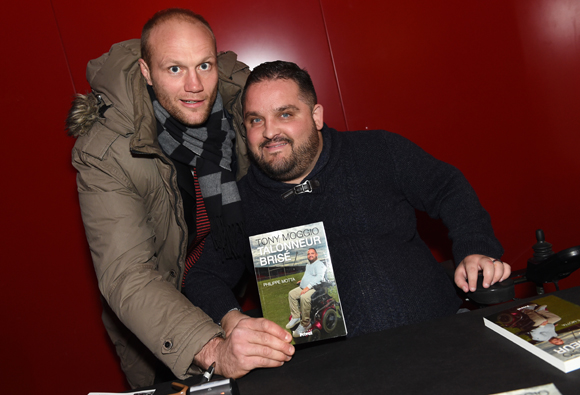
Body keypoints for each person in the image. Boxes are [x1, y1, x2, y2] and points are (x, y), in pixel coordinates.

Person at [186, 60, 511, 339]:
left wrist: (475, 249)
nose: (270, 132)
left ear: (316, 116)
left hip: (438, 335)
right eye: (256, 120)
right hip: (334, 375)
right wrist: (232, 321)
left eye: (285, 114)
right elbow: (204, 278)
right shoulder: (239, 203)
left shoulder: (378, 151)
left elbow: (447, 187)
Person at [66, 9, 293, 389]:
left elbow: (294, 158)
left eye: (204, 65)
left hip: (224, 294)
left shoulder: (240, 107)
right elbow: (127, 276)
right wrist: (213, 349)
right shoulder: (106, 153)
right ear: (146, 72)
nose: (195, 85)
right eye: (174, 69)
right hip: (155, 323)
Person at [286, 248, 327, 336]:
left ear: (316, 254)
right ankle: (296, 317)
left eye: (312, 253)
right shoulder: (308, 265)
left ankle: (305, 324)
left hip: (315, 287)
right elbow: (308, 275)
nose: (310, 255)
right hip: (305, 286)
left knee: (304, 297)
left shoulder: (319, 264)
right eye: (308, 254)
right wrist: (303, 281)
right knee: (291, 294)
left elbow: (319, 278)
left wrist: (307, 287)